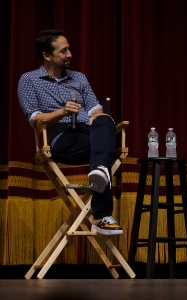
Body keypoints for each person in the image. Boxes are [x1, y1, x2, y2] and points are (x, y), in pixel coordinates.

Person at [18, 29, 122, 236]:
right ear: (47, 56)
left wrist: (98, 114)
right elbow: (35, 120)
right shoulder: (29, 80)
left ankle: (100, 171)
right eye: (63, 51)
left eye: (69, 49)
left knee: (104, 120)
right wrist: (62, 112)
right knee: (103, 146)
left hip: (89, 132)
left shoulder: (79, 78)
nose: (70, 54)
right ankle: (102, 216)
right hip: (60, 138)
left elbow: (94, 107)